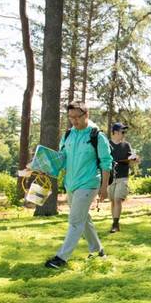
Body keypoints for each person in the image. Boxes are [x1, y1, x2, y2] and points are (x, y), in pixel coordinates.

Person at [45, 101, 113, 269]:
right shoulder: (68, 135)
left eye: (77, 117)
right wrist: (41, 166)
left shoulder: (96, 135)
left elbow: (106, 163)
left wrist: (104, 188)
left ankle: (61, 257)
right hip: (71, 184)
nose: (74, 121)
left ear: (86, 115)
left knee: (75, 221)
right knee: (84, 219)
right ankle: (98, 251)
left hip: (89, 183)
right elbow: (61, 159)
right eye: (70, 117)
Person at [108, 122, 140, 233]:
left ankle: (115, 224)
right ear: (115, 132)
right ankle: (114, 222)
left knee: (117, 199)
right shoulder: (107, 144)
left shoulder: (126, 145)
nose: (124, 134)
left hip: (123, 177)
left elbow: (134, 160)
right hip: (110, 178)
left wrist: (136, 159)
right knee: (112, 201)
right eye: (122, 131)